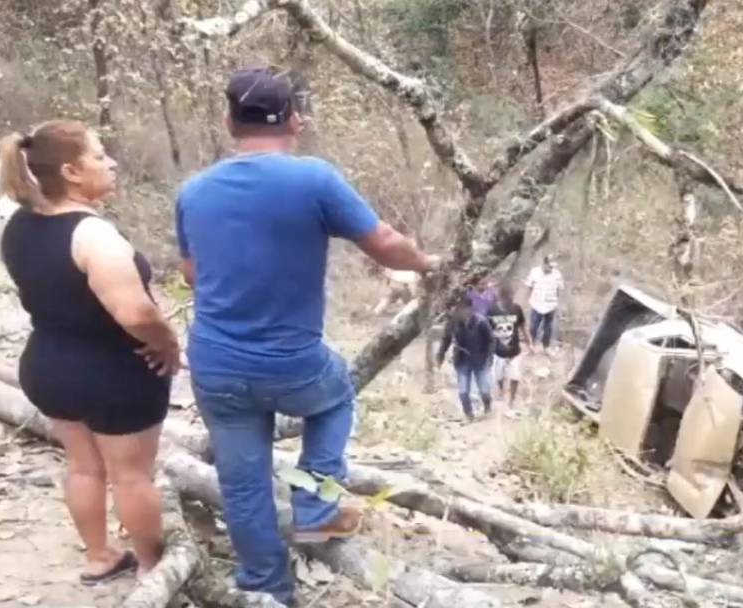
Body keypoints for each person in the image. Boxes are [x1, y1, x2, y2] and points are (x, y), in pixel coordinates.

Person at [174, 67, 439, 605]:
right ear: (295, 121)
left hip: (216, 363)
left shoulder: (193, 191)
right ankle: (317, 507)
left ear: (229, 121)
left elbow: (190, 275)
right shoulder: (313, 178)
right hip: (293, 365)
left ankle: (265, 588)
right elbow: (384, 245)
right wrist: (429, 262)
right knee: (336, 396)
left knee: (242, 482)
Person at [0, 120, 180, 585]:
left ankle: (99, 556)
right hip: (111, 372)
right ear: (73, 172)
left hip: (48, 365)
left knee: (83, 465)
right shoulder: (93, 236)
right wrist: (168, 343)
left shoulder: (20, 225)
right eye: (100, 156)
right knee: (132, 475)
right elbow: (134, 312)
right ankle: (153, 569)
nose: (111, 162)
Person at [437, 292, 495, 421]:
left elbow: (491, 340)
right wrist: (440, 356)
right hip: (462, 360)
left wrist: (489, 357)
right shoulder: (453, 323)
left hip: (480, 359)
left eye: (461, 308)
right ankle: (469, 415)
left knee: (484, 389)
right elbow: (446, 340)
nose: (458, 312)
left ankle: (488, 408)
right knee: (463, 391)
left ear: (469, 308)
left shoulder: (481, 322)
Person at [488, 283, 532, 409]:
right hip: (498, 352)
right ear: (501, 297)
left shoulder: (516, 309)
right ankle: (502, 391)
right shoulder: (492, 310)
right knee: (499, 376)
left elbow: (523, 326)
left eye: (510, 297)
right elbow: (487, 330)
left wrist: (530, 343)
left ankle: (511, 399)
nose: (509, 300)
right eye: (506, 297)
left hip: (515, 351)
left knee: (515, 376)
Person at [524, 254, 564, 352]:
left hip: (550, 305)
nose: (551, 268)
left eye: (552, 267)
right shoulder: (534, 272)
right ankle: (531, 345)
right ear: (544, 264)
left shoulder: (557, 274)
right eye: (549, 266)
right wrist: (528, 299)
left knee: (548, 328)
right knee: (533, 326)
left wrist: (555, 301)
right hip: (536, 304)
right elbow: (529, 286)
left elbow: (559, 289)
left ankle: (546, 346)